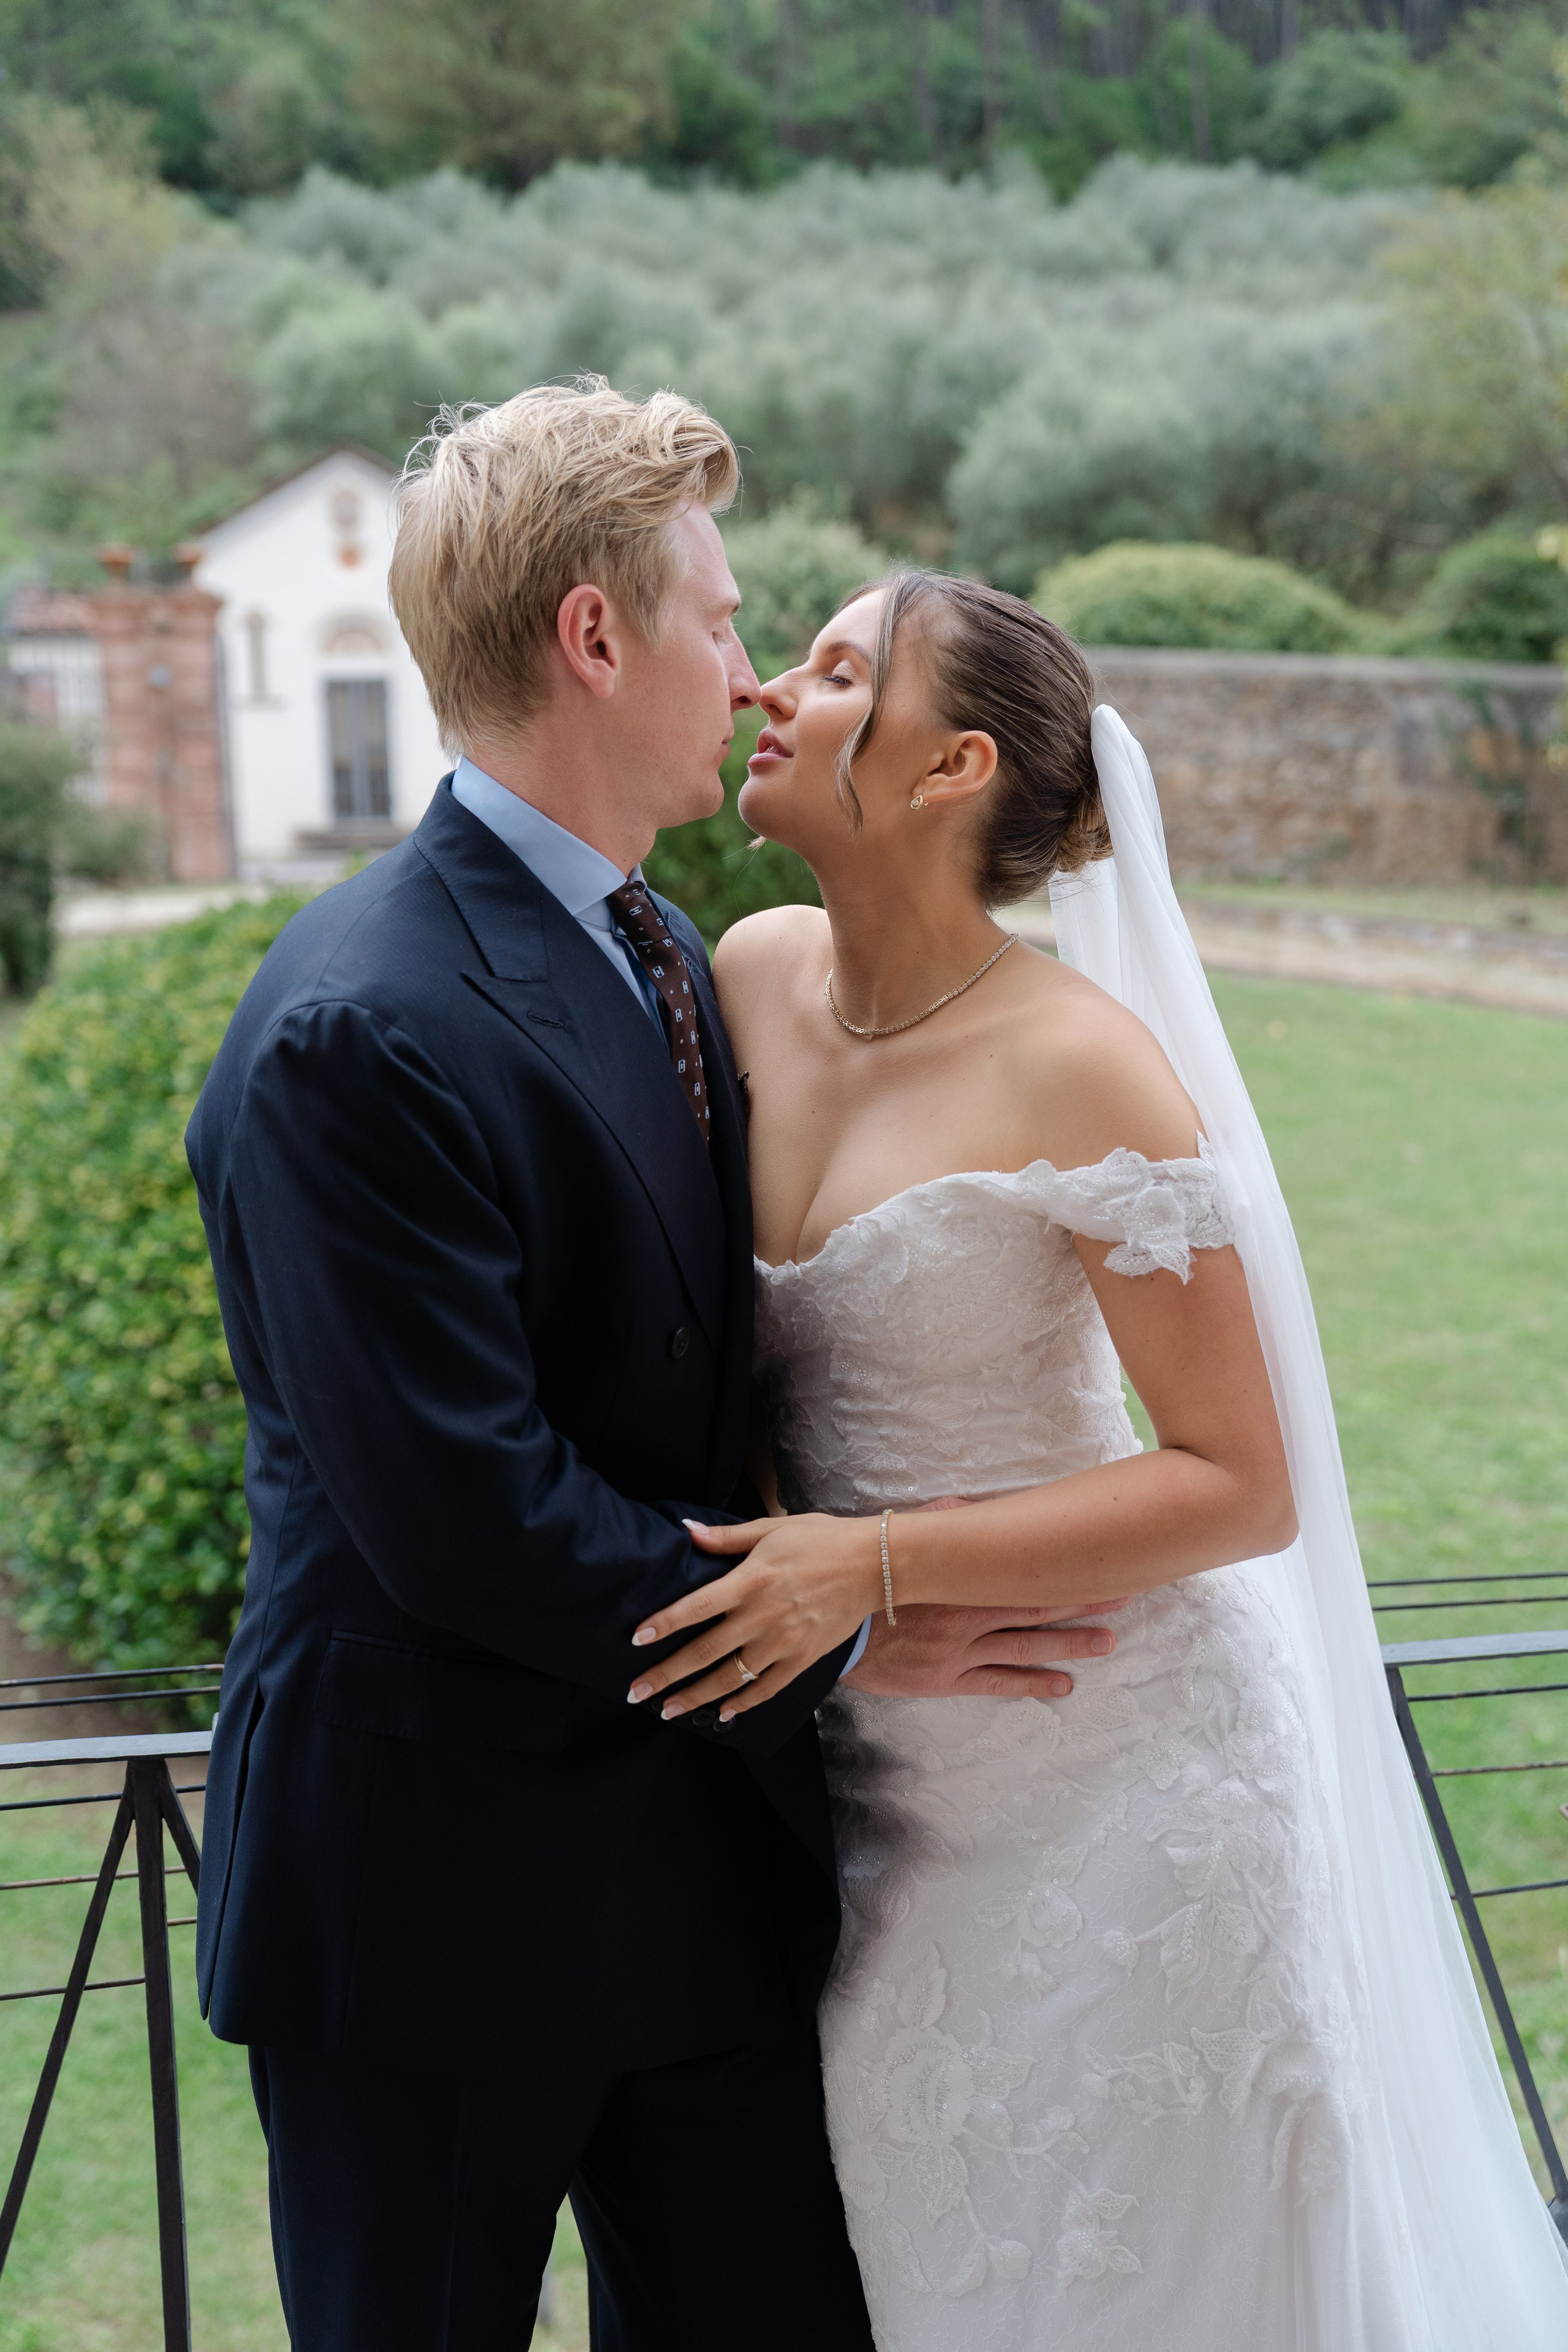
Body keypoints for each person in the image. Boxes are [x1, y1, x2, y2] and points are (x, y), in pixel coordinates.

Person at [186, 385, 1113, 2351]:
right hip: (428, 1906)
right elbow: (471, 1516)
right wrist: (848, 1631)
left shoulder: (669, 951)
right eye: (721, 617)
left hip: (692, 1884)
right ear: (595, 641)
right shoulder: (357, 1025)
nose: (754, 670)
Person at [628, 571, 1568, 2347]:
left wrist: (872, 1565)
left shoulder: (1084, 1067)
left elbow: (1240, 1480)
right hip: (886, 1791)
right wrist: (798, 1564)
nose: (768, 692)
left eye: (836, 672)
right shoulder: (743, 976)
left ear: (949, 766)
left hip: (1133, 1784)